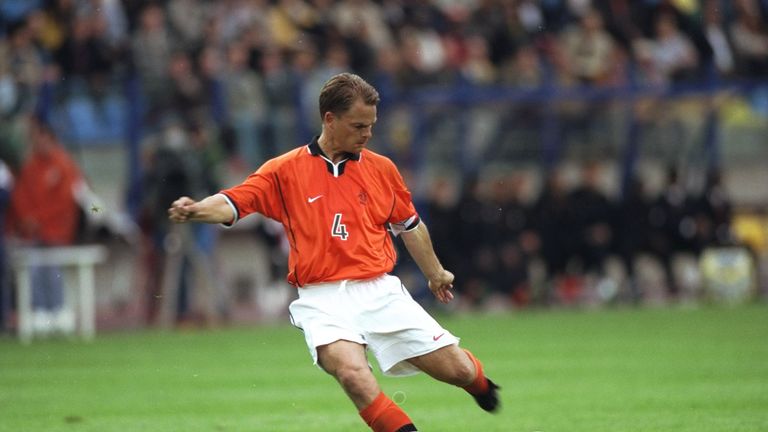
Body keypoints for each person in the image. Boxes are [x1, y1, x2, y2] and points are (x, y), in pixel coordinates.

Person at [168, 73, 499, 432]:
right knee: (353, 375)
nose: (367, 134)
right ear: (330, 119)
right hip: (321, 298)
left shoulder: (382, 169)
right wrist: (198, 209)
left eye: (371, 125)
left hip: (379, 291)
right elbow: (233, 201)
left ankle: (481, 385)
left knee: (459, 370)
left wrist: (436, 273)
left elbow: (410, 225)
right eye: (358, 125)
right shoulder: (284, 171)